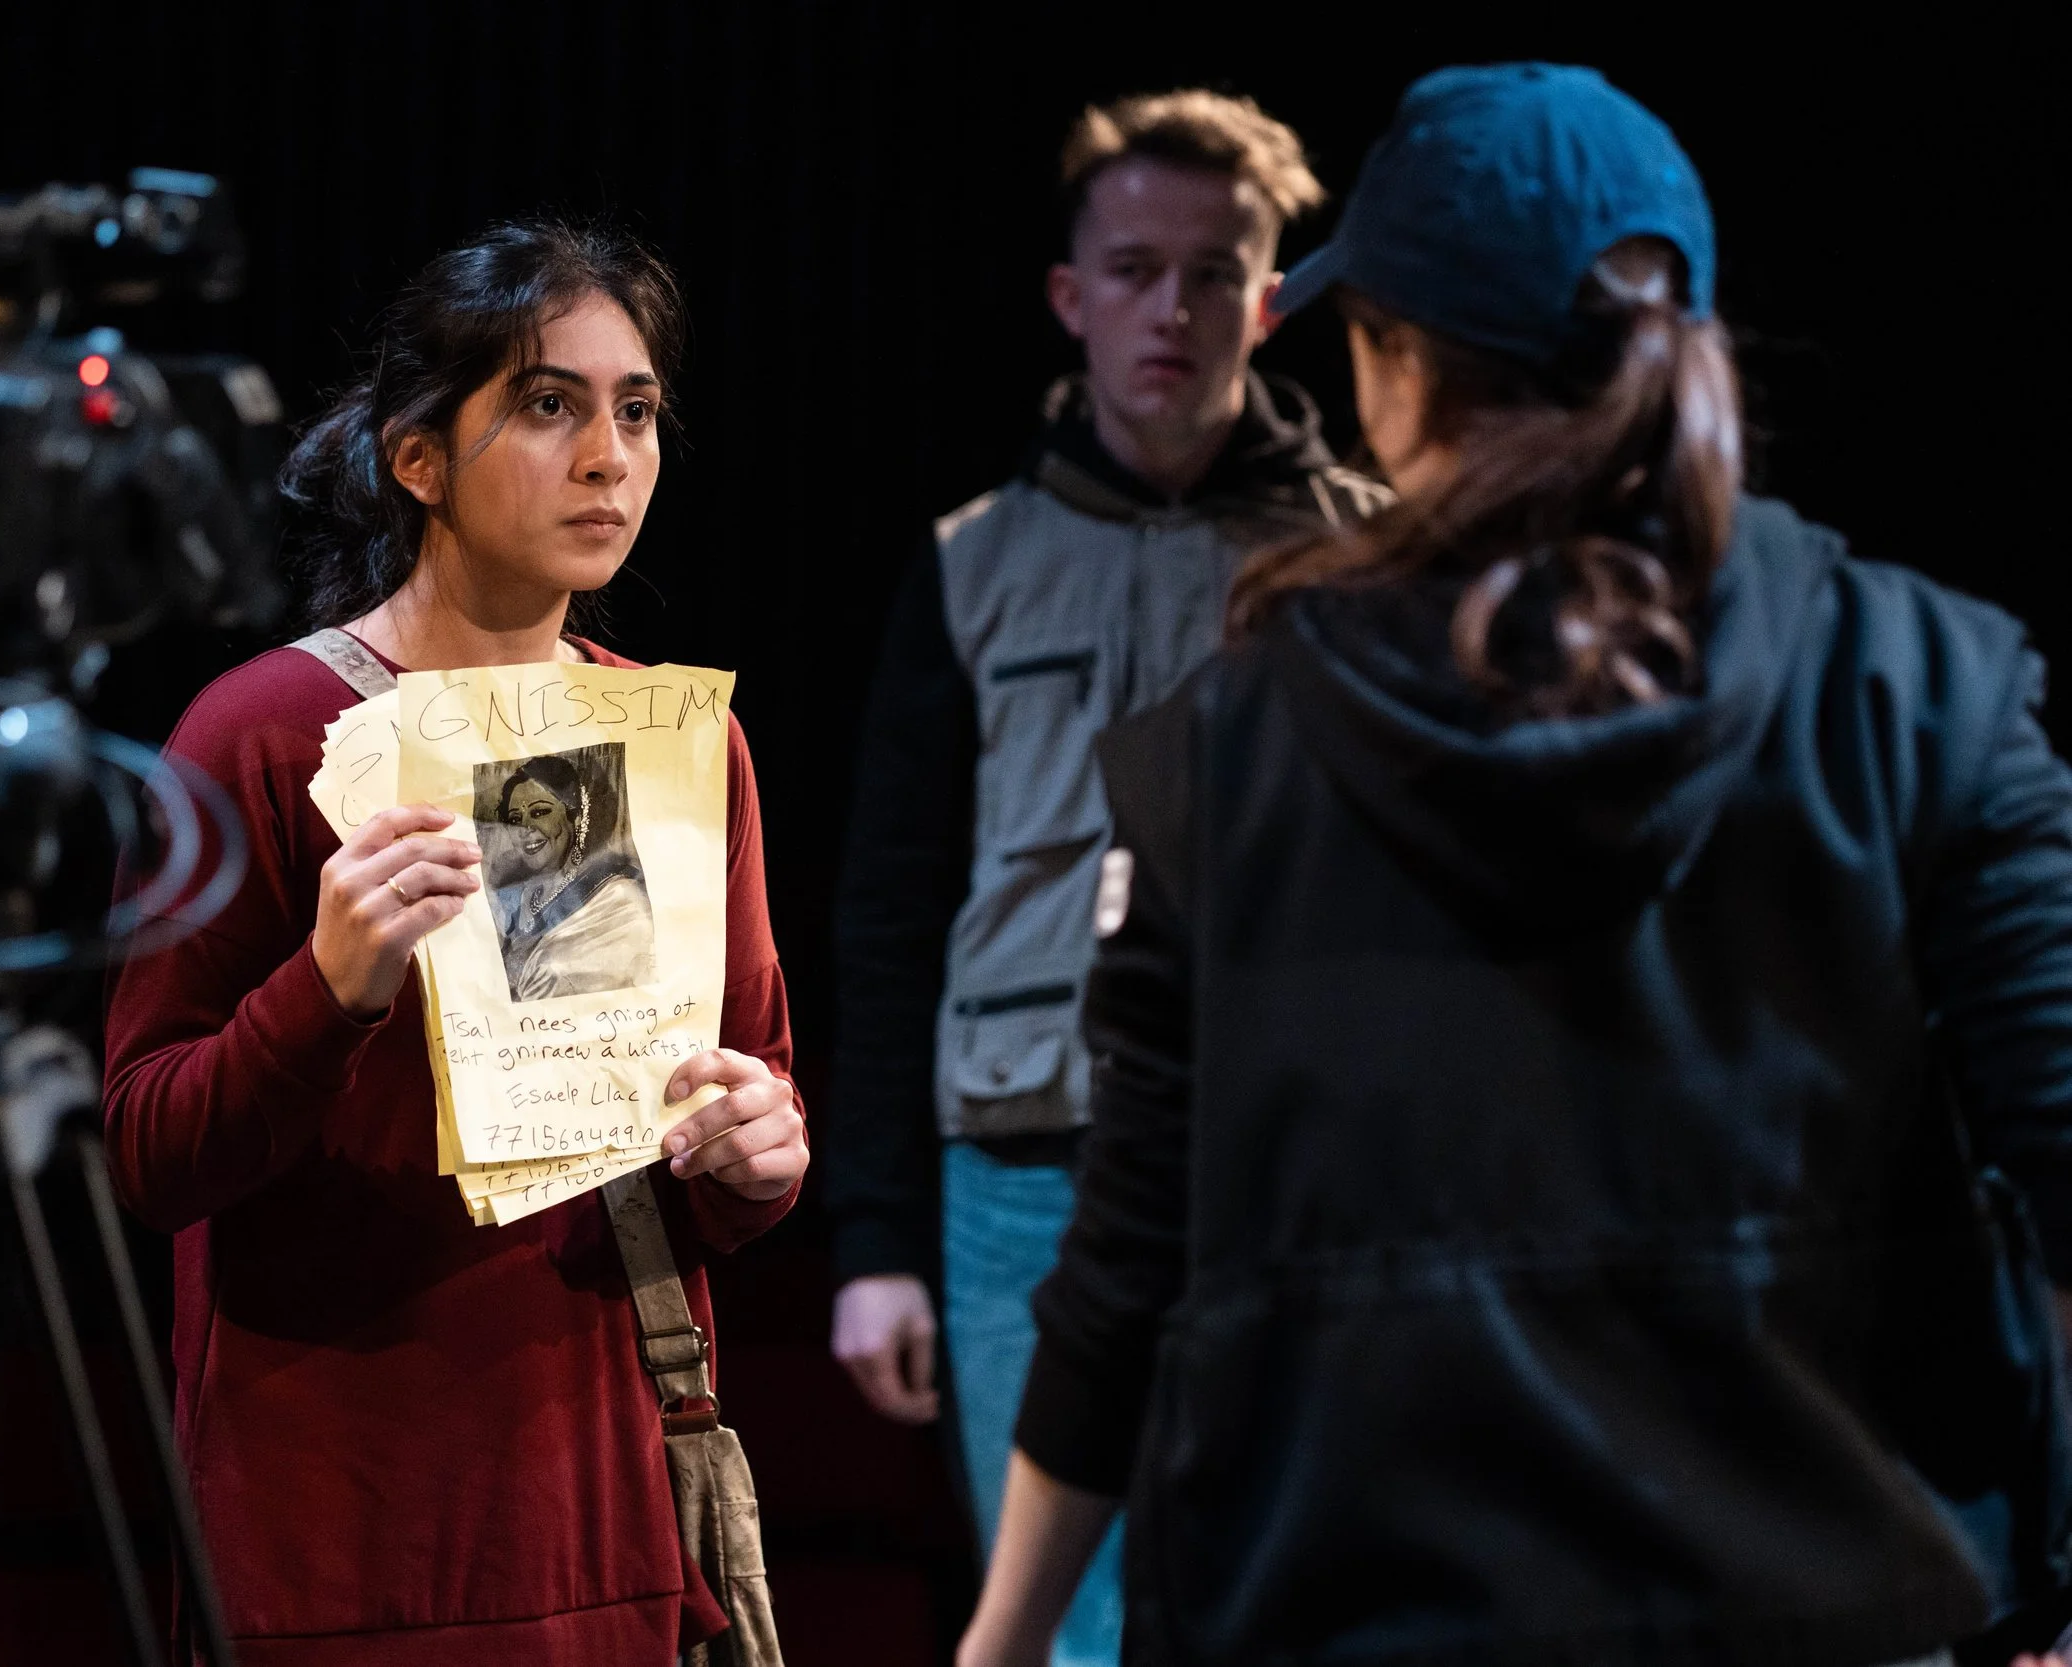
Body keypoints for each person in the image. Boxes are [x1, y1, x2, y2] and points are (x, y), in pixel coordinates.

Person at [957, 63, 2072, 1667]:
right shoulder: (1929, 690)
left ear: (1396, 364)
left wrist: (1003, 1640)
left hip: (1338, 1617)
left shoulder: (1219, 752)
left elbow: (1127, 1265)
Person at [102, 218, 809, 1666]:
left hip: (606, 1534)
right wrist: (326, 990)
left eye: (635, 410)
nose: (607, 457)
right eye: (549, 404)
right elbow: (148, 1151)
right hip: (335, 1555)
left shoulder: (682, 742)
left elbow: (742, 1113)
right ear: (418, 459)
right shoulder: (262, 737)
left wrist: (759, 1154)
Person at [824, 89, 1382, 1666]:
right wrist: (876, 1239)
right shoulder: (972, 563)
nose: (1174, 310)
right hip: (1022, 1170)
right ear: (1073, 296)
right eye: (1135, 270)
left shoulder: (1367, 558)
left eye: (1216, 273)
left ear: (1270, 298)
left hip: (1291, 1172)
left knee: (1307, 1602)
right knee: (1064, 1626)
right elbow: (891, 914)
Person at [485, 753, 657, 999]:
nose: (525, 829)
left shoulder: (618, 901)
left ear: (574, 817)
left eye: (539, 812)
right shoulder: (511, 898)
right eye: (515, 819)